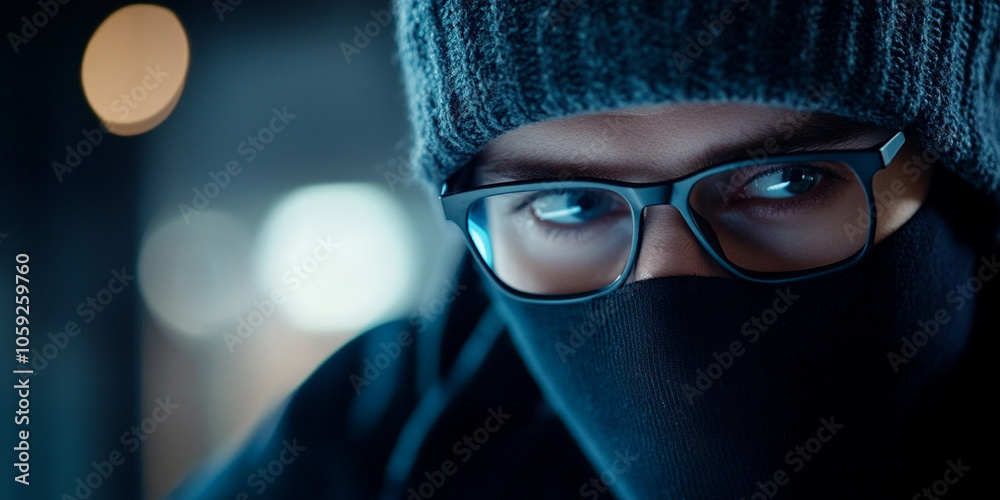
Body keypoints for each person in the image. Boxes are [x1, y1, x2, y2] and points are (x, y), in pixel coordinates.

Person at [170, 0, 999, 498]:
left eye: (783, 183)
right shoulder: (350, 463)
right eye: (568, 205)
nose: (666, 290)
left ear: (962, 174)